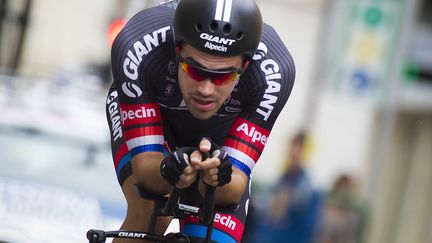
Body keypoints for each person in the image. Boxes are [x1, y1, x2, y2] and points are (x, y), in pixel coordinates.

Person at [105, 0, 295, 242]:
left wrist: (217, 175)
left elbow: (231, 189)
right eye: (195, 70)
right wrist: (167, 170)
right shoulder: (139, 47)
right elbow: (146, 173)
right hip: (159, 120)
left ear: (245, 66)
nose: (206, 89)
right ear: (177, 50)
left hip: (220, 136)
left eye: (223, 76)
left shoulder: (272, 74)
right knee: (152, 210)